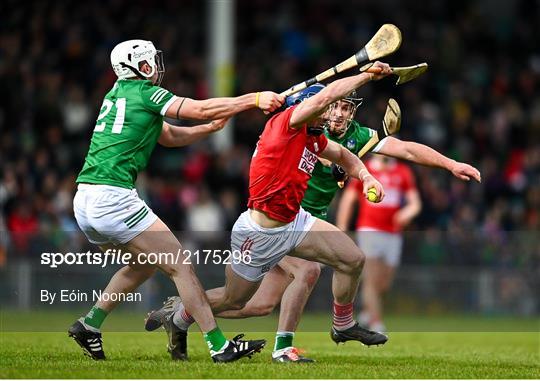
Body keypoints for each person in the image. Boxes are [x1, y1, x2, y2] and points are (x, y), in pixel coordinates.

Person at [147, 61, 396, 362]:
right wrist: (366, 76)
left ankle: (341, 324)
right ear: (305, 108)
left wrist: (366, 176)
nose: (330, 116)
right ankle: (179, 315)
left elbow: (343, 154)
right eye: (325, 111)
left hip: (295, 222)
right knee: (235, 299)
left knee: (352, 260)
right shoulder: (287, 123)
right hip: (259, 232)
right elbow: (322, 98)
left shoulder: (312, 137)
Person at [68, 39, 284, 363]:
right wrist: (252, 99)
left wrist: (209, 129)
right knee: (181, 265)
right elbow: (197, 108)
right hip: (112, 197)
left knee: (144, 263)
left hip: (84, 200)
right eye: (150, 60)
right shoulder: (145, 93)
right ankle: (219, 345)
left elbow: (168, 136)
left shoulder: (116, 93)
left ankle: (90, 324)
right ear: (140, 66)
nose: (155, 65)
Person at [336, 155, 421, 332]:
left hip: (393, 233)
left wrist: (407, 213)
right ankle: (376, 323)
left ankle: (367, 312)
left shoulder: (403, 172)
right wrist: (342, 228)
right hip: (369, 231)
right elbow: (348, 200)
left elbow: (415, 203)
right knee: (371, 281)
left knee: (384, 284)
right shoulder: (365, 170)